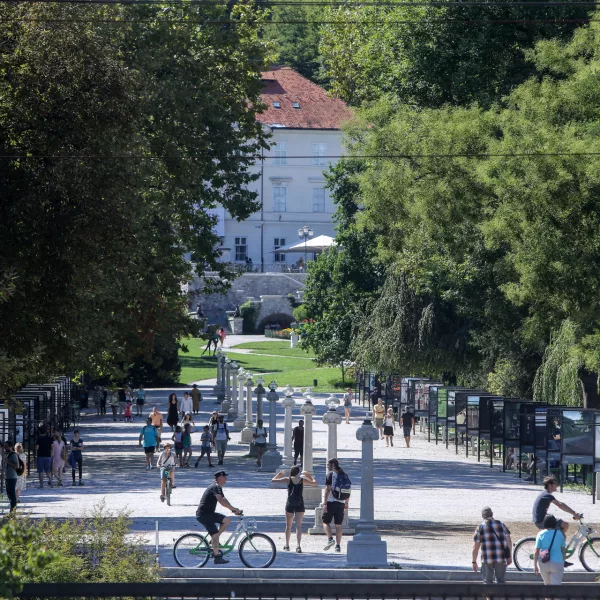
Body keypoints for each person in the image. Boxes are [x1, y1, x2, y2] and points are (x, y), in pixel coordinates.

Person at [196, 470, 242, 564]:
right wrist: (233, 509)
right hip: (204, 515)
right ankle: (217, 556)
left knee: (227, 520)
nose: (226, 479)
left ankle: (213, 540)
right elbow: (221, 501)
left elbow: (224, 499)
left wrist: (233, 509)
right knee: (215, 535)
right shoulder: (215, 487)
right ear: (220, 477)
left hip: (209, 513)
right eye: (225, 477)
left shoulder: (218, 487)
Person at [272, 466, 318, 553]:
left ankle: (287, 545)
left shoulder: (288, 479)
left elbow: (273, 480)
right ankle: (298, 546)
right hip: (300, 503)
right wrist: (309, 476)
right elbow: (315, 483)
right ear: (298, 472)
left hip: (290, 503)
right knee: (298, 526)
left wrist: (278, 475)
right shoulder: (302, 480)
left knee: (288, 526)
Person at [532, 476, 582, 547]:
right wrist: (574, 513)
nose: (557, 485)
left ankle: (555, 542)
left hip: (545, 519)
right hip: (541, 521)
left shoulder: (546, 494)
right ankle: (559, 552)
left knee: (565, 525)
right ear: (550, 485)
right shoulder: (546, 495)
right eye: (555, 483)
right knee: (562, 537)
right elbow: (560, 505)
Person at [472, 506, 512, 592]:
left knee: (487, 584)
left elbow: (475, 547)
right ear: (492, 514)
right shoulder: (501, 524)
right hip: (501, 558)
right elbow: (509, 540)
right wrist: (509, 556)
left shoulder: (480, 527)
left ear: (483, 516)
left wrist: (474, 561)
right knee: (501, 582)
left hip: (487, 558)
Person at [322, 458, 349, 553]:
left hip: (331, 502)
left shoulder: (330, 475)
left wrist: (325, 503)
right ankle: (338, 546)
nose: (327, 466)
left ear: (333, 465)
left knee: (325, 522)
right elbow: (347, 490)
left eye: (328, 465)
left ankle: (330, 539)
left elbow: (327, 489)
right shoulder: (344, 475)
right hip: (341, 502)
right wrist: (346, 502)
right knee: (338, 525)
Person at [534, 514, 566, 591]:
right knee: (556, 589)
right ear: (554, 523)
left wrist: (535, 565)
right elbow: (563, 550)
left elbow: (536, 551)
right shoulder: (559, 534)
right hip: (557, 562)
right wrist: (563, 562)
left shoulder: (540, 534)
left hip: (544, 562)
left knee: (547, 588)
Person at [3, 441, 20, 511]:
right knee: (9, 494)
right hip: (7, 476)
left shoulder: (13, 455)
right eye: (4, 446)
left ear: (11, 447)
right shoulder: (7, 454)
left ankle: (13, 510)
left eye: (6, 446)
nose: (5, 448)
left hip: (12, 477)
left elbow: (16, 465)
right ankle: (12, 509)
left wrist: (8, 461)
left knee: (12, 494)